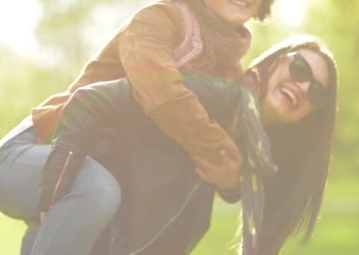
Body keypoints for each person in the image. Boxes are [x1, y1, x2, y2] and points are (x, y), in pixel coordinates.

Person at [0, 0, 279, 255]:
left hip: (91, 177)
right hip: (34, 154)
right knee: (97, 190)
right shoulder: (158, 21)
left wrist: (230, 179)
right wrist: (220, 148)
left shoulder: (227, 72)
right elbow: (162, 94)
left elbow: (224, 155)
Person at [19, 35, 337, 254]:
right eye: (299, 68)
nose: (303, 85)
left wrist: (233, 183)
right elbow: (90, 99)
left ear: (312, 114)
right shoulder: (214, 94)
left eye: (317, 91)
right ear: (271, 65)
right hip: (73, 211)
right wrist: (54, 196)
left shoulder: (255, 155)